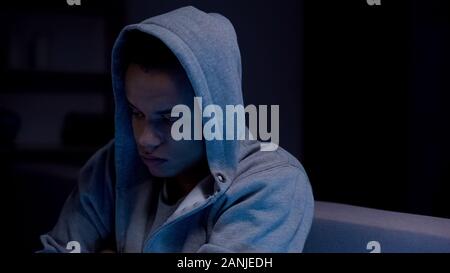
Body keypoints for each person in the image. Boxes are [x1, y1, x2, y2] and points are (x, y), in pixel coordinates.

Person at [39, 6, 314, 253]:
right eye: (136, 113)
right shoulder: (111, 166)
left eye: (170, 119)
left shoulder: (270, 184)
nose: (145, 140)